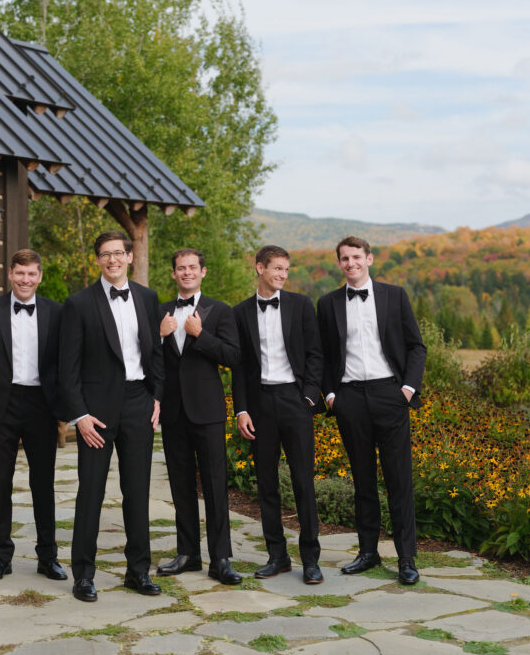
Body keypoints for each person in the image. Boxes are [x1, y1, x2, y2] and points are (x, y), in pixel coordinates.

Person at [59, 230, 164, 602]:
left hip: (139, 402)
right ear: (98, 259)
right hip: (97, 412)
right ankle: (83, 576)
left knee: (137, 492)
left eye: (119, 253)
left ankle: (138, 572)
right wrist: (80, 416)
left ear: (130, 257)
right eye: (106, 254)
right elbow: (66, 369)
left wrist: (157, 397)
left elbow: (155, 354)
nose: (113, 260)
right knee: (91, 492)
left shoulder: (148, 298)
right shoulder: (79, 304)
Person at [317, 235, 426, 586]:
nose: (351, 263)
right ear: (339, 264)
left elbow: (416, 346)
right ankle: (368, 552)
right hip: (350, 399)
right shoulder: (328, 303)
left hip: (389, 395)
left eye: (357, 257)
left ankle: (406, 559)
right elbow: (322, 356)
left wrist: (407, 389)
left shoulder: (395, 296)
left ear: (370, 259)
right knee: (362, 480)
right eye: (345, 259)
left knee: (398, 481)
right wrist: (332, 395)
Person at [0, 249, 67, 583]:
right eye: (20, 273)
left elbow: (66, 364)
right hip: (0, 405)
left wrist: (67, 409)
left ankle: (47, 556)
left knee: (44, 483)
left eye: (32, 274)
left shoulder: (56, 312)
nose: (26, 280)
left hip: (41, 405)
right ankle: (1, 557)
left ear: (40, 276)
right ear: (10, 274)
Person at [232, 245, 324, 584]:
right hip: (259, 405)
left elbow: (316, 354)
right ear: (260, 268)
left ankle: (311, 560)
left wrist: (309, 398)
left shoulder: (301, 305)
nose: (283, 275)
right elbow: (239, 366)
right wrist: (241, 409)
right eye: (277, 269)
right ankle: (277, 556)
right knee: (266, 484)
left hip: (294, 400)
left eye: (287, 269)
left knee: (303, 482)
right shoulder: (240, 312)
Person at [157, 249, 242, 585]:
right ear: (174, 274)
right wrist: (158, 335)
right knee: (180, 485)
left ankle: (220, 558)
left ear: (203, 272)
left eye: (193, 267)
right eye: (181, 268)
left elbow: (234, 356)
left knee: (215, 484)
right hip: (173, 411)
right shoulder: (160, 311)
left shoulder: (220, 311)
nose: (187, 272)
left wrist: (200, 336)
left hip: (207, 412)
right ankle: (188, 553)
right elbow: (148, 358)